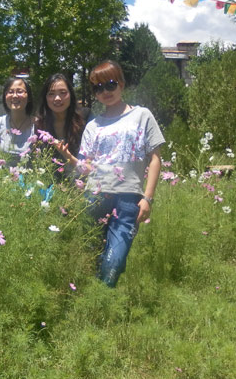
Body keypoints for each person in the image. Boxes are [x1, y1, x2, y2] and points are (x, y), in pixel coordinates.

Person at [58, 60, 163, 288]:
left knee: (114, 258)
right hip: (94, 197)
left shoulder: (142, 115)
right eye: (98, 88)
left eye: (110, 84)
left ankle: (103, 296)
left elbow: (155, 158)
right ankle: (92, 299)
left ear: (121, 84)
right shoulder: (93, 125)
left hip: (129, 199)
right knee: (91, 252)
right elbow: (86, 168)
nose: (105, 91)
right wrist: (69, 158)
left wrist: (148, 198)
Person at [34, 72, 87, 162]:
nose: (57, 98)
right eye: (51, 94)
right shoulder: (39, 125)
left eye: (63, 93)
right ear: (45, 98)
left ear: (71, 95)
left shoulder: (85, 118)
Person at [0, 76, 35, 162]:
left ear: (29, 97)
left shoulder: (37, 125)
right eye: (10, 92)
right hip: (3, 171)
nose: (15, 96)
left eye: (20, 92)